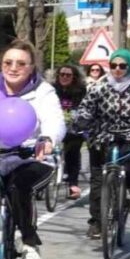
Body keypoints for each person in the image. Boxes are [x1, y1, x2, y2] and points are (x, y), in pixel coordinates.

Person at [0, 40, 65, 259]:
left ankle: (30, 243)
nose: (13, 68)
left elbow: (55, 120)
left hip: (31, 157)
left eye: (21, 63)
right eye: (8, 62)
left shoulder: (43, 91)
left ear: (31, 67)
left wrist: (48, 139)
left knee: (17, 188)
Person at [72, 49, 130, 238]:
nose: (117, 69)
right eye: (113, 66)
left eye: (122, 66)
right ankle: (97, 222)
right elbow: (87, 106)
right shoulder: (100, 87)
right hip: (103, 134)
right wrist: (81, 120)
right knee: (97, 179)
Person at [54, 64, 87, 199]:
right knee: (46, 153)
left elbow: (84, 108)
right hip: (56, 124)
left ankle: (73, 184)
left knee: (72, 153)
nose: (65, 77)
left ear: (74, 77)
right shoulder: (52, 90)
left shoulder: (81, 90)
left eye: (68, 75)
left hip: (74, 127)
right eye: (62, 74)